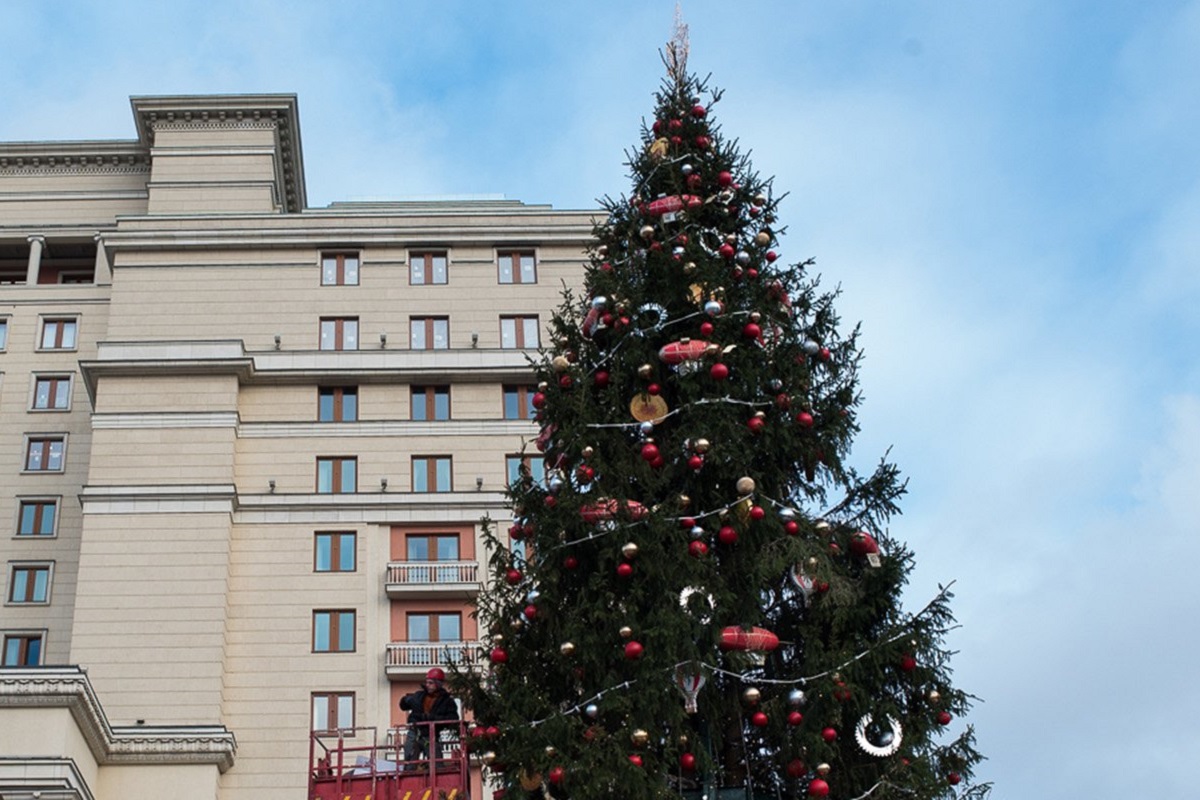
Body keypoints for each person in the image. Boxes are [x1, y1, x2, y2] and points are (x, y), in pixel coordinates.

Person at [399, 668, 459, 768]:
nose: (428, 685)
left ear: (438, 684)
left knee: (436, 763)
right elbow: (404, 705)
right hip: (415, 732)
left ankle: (437, 778)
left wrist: (432, 718)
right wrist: (405, 701)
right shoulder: (419, 696)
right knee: (410, 760)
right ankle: (409, 777)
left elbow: (453, 719)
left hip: (431, 734)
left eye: (431, 683)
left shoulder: (447, 701)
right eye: (427, 682)